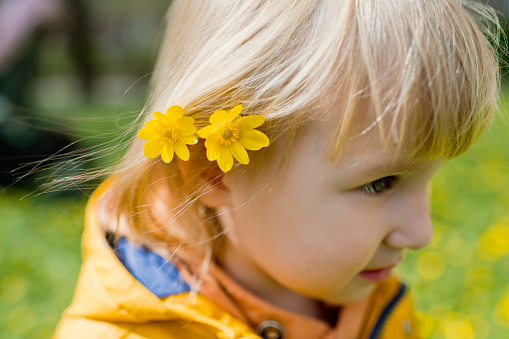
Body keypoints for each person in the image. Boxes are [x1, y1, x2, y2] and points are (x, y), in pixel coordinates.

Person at [53, 0, 500, 338]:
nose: (421, 233)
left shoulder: (367, 299)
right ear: (212, 171)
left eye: (430, 179)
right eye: (380, 183)